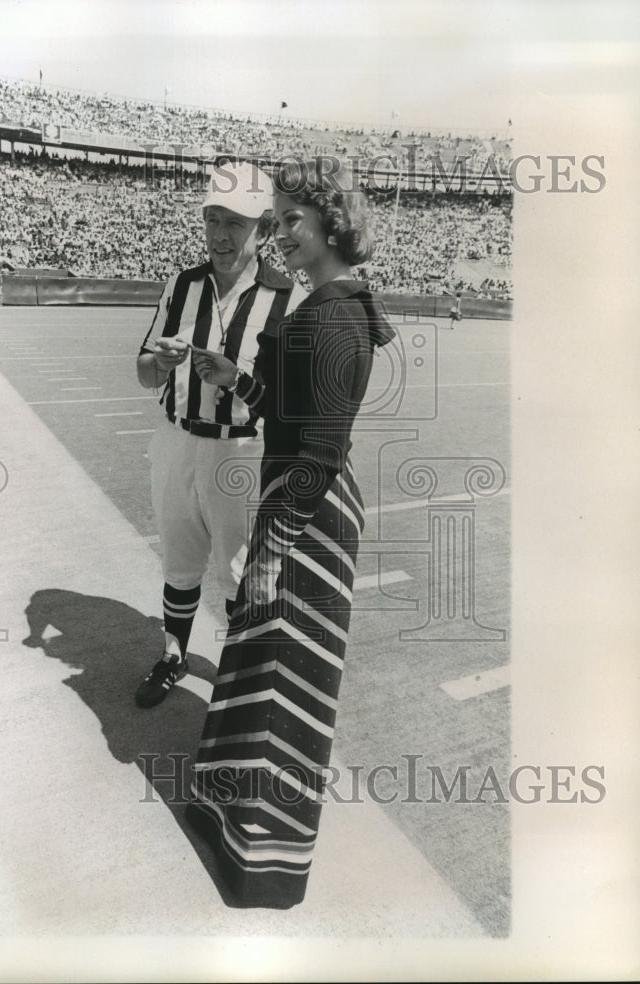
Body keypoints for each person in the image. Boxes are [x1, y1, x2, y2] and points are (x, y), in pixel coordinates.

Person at [185, 156, 396, 908]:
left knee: (285, 683)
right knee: (262, 668)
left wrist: (271, 553)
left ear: (331, 219)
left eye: (289, 220)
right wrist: (233, 378)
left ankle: (265, 866)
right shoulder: (324, 301)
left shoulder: (338, 310)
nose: (277, 234)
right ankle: (234, 825)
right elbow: (288, 409)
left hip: (308, 511)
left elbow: (320, 448)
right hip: (293, 499)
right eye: (272, 221)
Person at [134, 160, 305, 708]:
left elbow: (290, 408)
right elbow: (142, 372)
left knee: (237, 571)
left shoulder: (287, 300)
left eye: (233, 222)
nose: (218, 235)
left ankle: (234, 679)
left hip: (241, 449)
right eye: (212, 219)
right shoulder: (182, 285)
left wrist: (240, 381)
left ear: (263, 230)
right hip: (177, 440)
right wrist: (156, 362)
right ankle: (173, 656)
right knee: (179, 560)